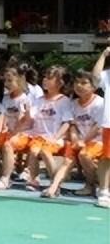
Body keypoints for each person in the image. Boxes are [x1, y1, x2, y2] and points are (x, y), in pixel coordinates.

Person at [43, 69, 104, 199]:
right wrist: (76, 139)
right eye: (77, 82)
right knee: (67, 161)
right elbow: (72, 124)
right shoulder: (73, 104)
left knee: (84, 155)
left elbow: (98, 127)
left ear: (94, 87)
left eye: (84, 83)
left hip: (97, 142)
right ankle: (53, 187)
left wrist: (83, 141)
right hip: (78, 141)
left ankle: (94, 185)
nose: (79, 86)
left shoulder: (100, 103)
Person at [21, 65, 73, 194]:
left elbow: (67, 123)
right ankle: (34, 179)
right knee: (33, 151)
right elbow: (31, 119)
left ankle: (54, 182)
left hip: (55, 137)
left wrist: (56, 137)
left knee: (45, 151)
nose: (44, 80)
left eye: (49, 78)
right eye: (45, 77)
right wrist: (27, 113)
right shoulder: (39, 100)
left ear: (60, 83)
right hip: (38, 136)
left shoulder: (64, 101)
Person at [0, 63, 34, 190]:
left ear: (20, 80)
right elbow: (2, 115)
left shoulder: (24, 99)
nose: (7, 84)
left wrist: (13, 134)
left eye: (10, 80)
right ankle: (0, 168)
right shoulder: (6, 98)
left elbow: (23, 120)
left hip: (23, 133)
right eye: (5, 80)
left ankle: (5, 179)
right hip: (9, 132)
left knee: (8, 144)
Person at [91, 45, 110, 208]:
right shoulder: (107, 75)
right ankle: (104, 191)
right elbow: (94, 79)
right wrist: (104, 54)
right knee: (107, 158)